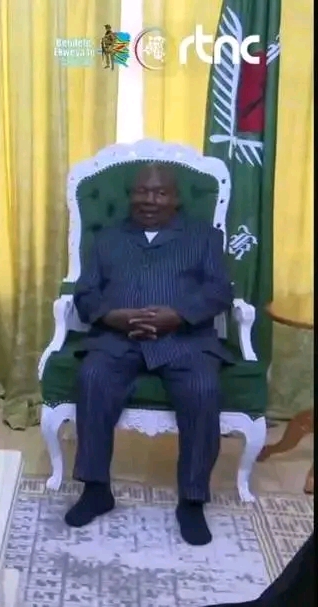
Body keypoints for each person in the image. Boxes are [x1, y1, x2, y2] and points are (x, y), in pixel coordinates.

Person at [66, 162, 233, 546]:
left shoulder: (203, 237)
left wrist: (178, 315)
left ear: (175, 198)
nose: (150, 200)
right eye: (142, 191)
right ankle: (95, 489)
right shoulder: (107, 238)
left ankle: (192, 499)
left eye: (160, 192)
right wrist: (113, 316)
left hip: (184, 339)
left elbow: (219, 291)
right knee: (92, 377)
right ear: (131, 196)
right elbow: (85, 293)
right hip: (118, 338)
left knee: (203, 389)